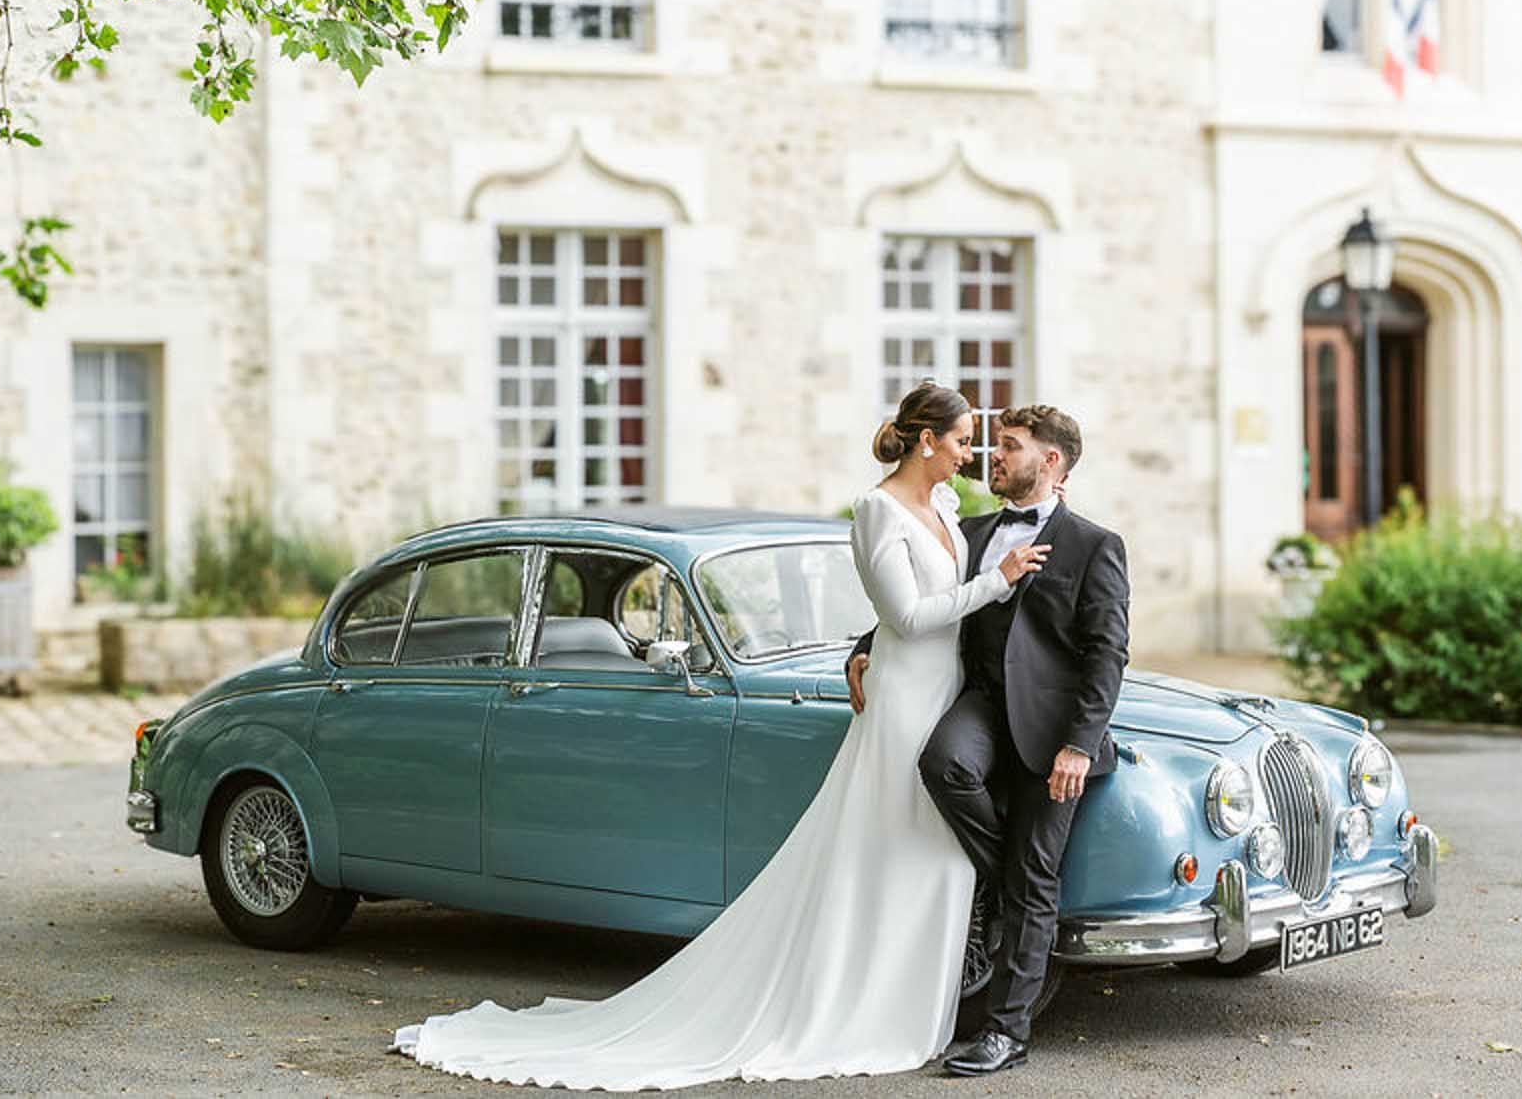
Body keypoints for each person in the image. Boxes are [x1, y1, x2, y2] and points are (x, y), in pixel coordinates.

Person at [392, 381, 1049, 1088]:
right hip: (904, 701)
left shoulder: (946, 507)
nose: (969, 454)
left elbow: (922, 612)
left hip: (942, 690)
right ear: (927, 441)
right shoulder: (875, 510)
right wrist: (998, 581)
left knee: (935, 862)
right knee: (888, 852)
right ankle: (862, 1007)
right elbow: (909, 614)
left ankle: (919, 1007)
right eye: (960, 439)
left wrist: (870, 641)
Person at [847, 403, 1131, 1076]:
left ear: (1051, 462)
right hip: (978, 707)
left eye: (1008, 446)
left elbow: (1107, 654)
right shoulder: (969, 529)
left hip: (1054, 733)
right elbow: (921, 604)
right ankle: (1009, 876)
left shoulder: (1095, 545)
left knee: (1037, 878)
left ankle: (1007, 1033)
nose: (991, 458)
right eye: (993, 445)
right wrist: (862, 649)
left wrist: (1079, 745)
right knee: (941, 763)